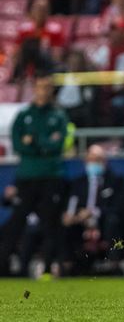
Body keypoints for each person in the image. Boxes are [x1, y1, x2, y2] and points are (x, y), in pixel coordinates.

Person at [0, 74, 68, 276]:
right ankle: (4, 267)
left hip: (51, 176)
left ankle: (49, 268)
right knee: (16, 223)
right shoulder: (24, 115)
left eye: (47, 87)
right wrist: (44, 142)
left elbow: (58, 145)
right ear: (34, 89)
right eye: (39, 87)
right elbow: (19, 144)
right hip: (27, 176)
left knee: (50, 224)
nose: (43, 91)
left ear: (51, 91)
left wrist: (34, 141)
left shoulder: (58, 115)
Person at [62, 144, 124, 275]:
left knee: (113, 221)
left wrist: (92, 213)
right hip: (80, 222)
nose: (93, 163)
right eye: (90, 160)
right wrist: (72, 216)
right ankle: (66, 266)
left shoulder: (116, 181)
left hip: (104, 221)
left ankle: (113, 265)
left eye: (97, 160)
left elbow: (118, 207)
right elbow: (70, 205)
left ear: (104, 161)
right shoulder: (77, 183)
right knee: (65, 226)